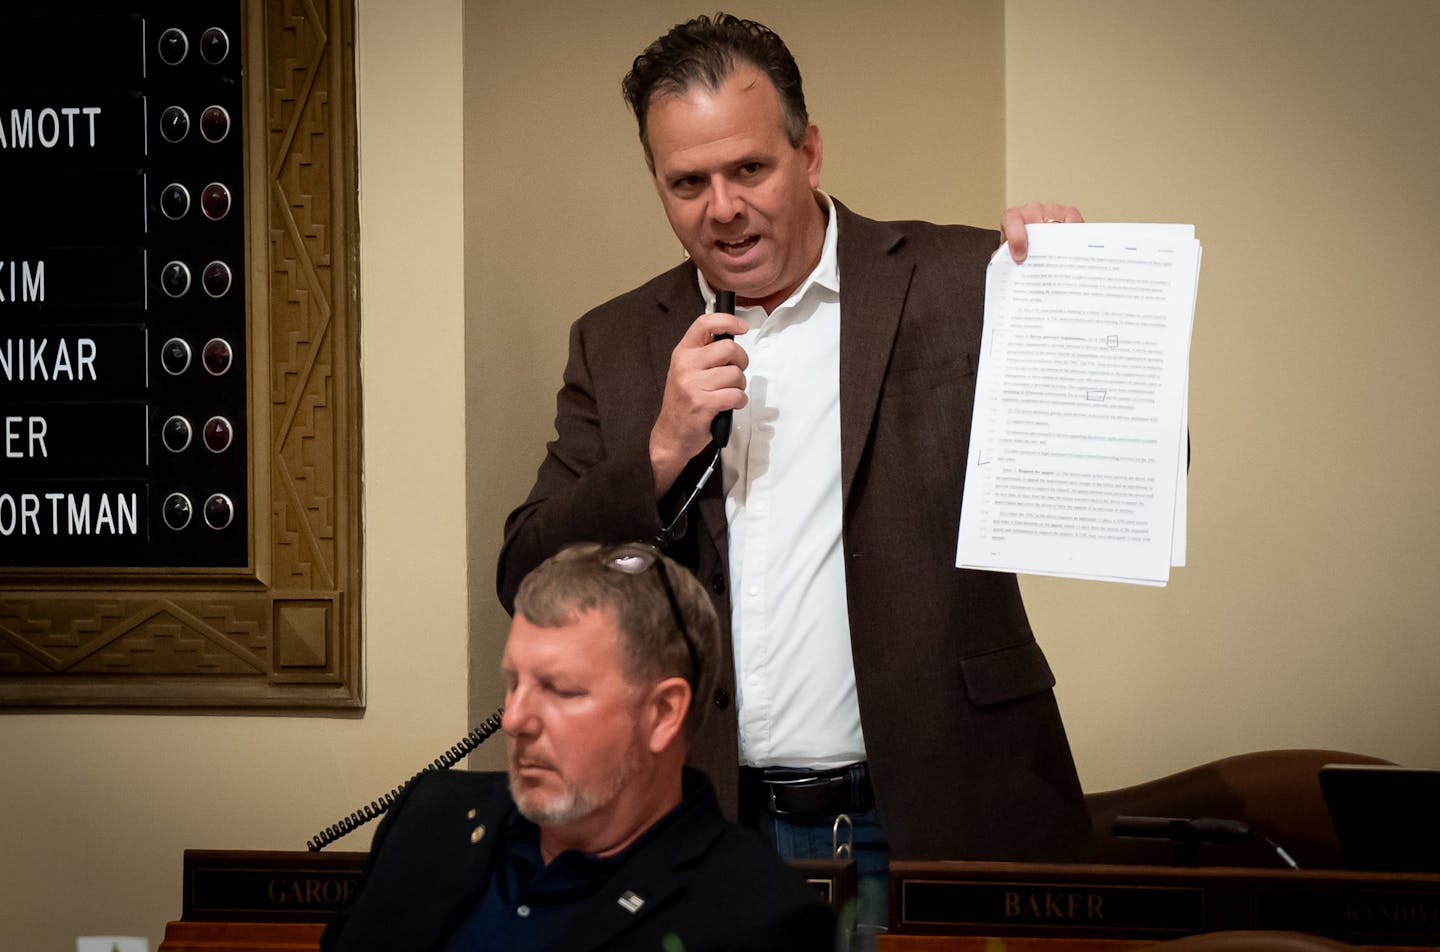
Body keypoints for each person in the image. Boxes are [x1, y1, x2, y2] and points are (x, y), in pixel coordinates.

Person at [497, 12, 1093, 892]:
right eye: (687, 182)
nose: (724, 208)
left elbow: (1126, 477)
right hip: (710, 825)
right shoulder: (615, 343)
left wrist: (1074, 309)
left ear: (809, 152)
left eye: (750, 168)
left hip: (947, 805)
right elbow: (525, 571)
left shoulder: (969, 282)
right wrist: (660, 450)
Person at [324, 542, 834, 952]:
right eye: (513, 683)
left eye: (560, 690)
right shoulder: (432, 817)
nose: (515, 719)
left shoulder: (756, 915)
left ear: (662, 714)